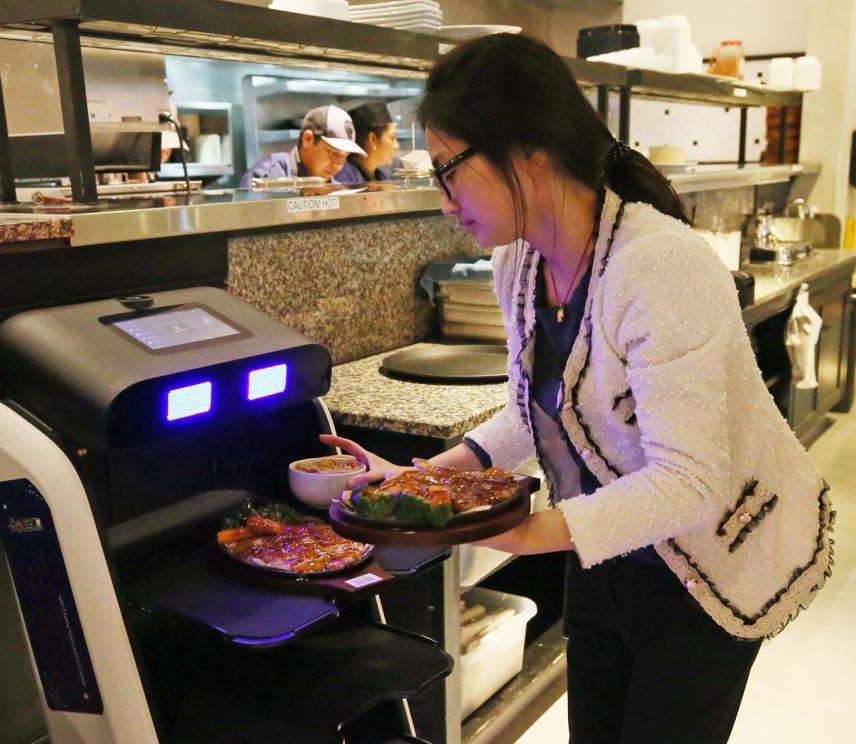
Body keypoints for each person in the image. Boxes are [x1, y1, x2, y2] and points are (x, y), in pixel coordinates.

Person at [322, 33, 834, 744]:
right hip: (608, 548)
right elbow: (535, 415)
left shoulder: (658, 267)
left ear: (530, 152)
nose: (444, 203)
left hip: (713, 560)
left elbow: (689, 483)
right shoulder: (519, 265)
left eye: (448, 171)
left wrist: (526, 532)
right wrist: (418, 486)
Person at [238, 105, 365, 187]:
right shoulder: (271, 174)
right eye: (332, 153)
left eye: (344, 156)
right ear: (307, 139)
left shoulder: (337, 187)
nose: (337, 164)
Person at [334, 102, 398, 183]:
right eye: (392, 138)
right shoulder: (343, 178)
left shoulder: (381, 177)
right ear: (373, 140)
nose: (396, 146)